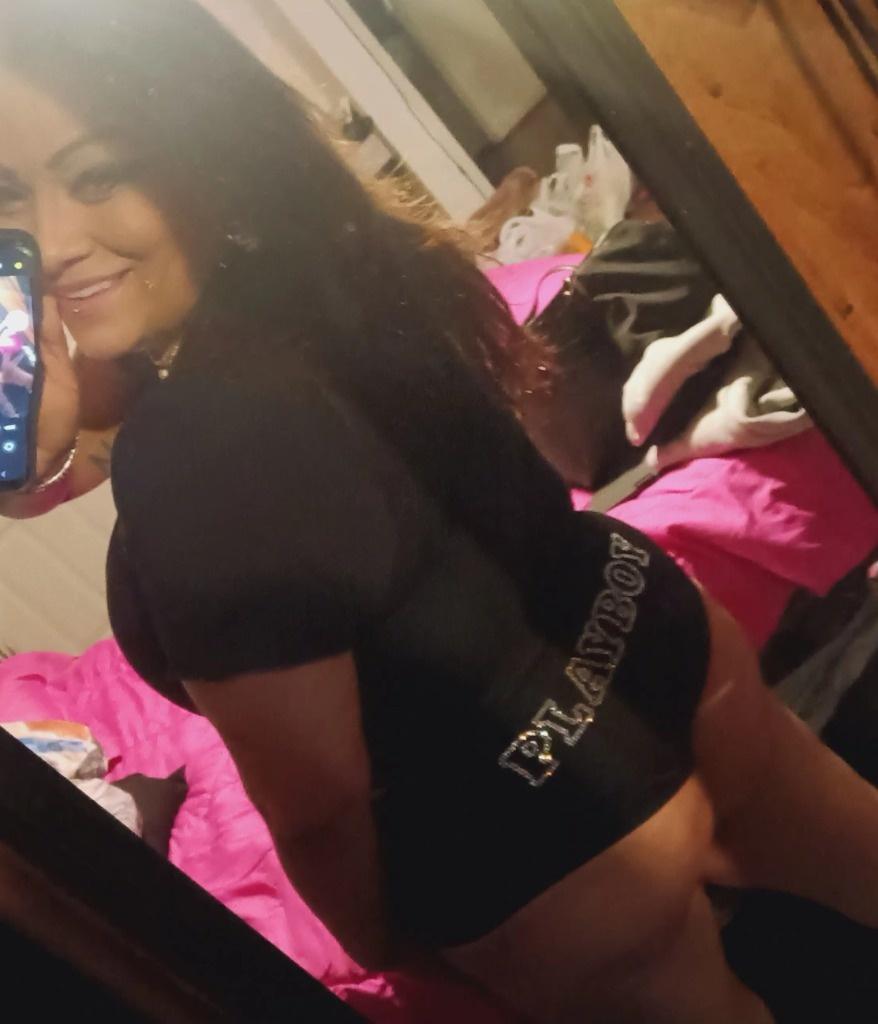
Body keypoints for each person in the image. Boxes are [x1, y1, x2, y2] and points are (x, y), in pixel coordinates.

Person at [1, 3, 877, 1021]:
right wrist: (41, 449)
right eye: (10, 193)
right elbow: (228, 451)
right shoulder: (335, 260)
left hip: (530, 821)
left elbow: (318, 805)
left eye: (100, 174)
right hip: (646, 623)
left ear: (197, 149)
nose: (51, 243)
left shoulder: (190, 453)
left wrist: (375, 936)